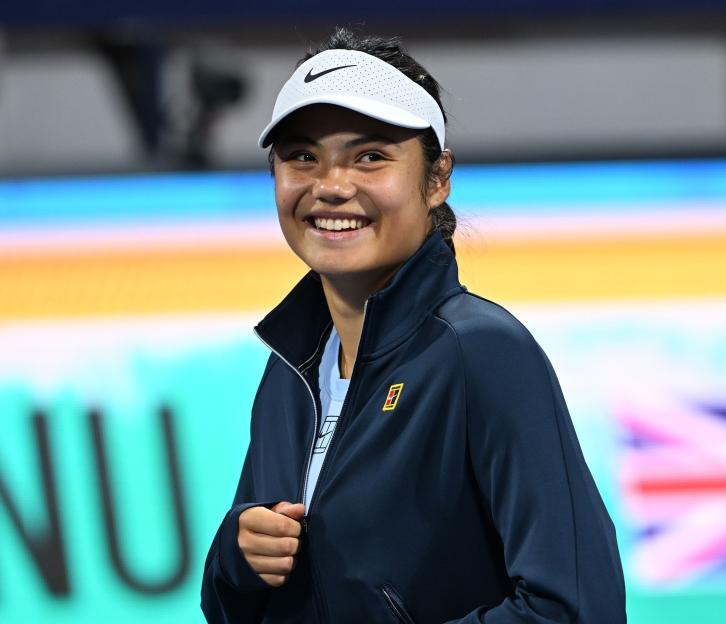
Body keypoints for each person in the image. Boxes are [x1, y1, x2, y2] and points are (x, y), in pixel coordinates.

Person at [200, 28, 627, 623]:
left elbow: (578, 609)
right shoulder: (287, 371)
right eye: (302, 157)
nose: (330, 186)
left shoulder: (482, 352)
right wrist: (235, 561)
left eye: (369, 156)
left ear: (437, 179)